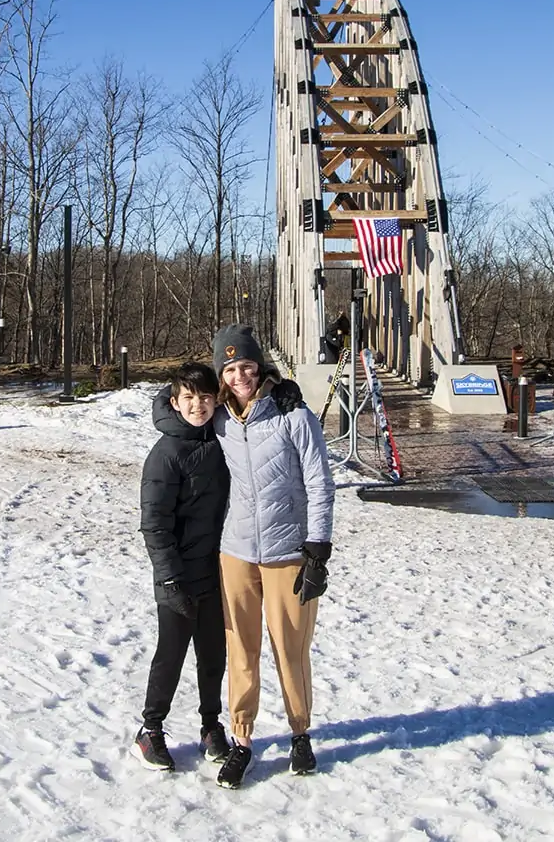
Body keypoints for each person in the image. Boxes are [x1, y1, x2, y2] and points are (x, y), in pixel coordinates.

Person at [211, 324, 335, 789]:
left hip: (288, 552)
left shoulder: (293, 414)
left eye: (246, 365)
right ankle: (242, 740)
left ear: (259, 366)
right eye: (230, 368)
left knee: (291, 648)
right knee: (241, 649)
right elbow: (175, 407)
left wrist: (318, 548)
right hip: (236, 551)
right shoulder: (219, 419)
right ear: (221, 375)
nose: (240, 375)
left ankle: (300, 733)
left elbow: (320, 482)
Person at [131, 362, 232, 772]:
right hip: (177, 575)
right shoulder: (166, 453)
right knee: (170, 655)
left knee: (213, 655)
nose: (198, 405)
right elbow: (153, 523)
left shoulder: (223, 435)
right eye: (188, 398)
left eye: (205, 397)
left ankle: (211, 725)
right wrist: (170, 577)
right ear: (175, 402)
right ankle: (150, 729)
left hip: (216, 569)